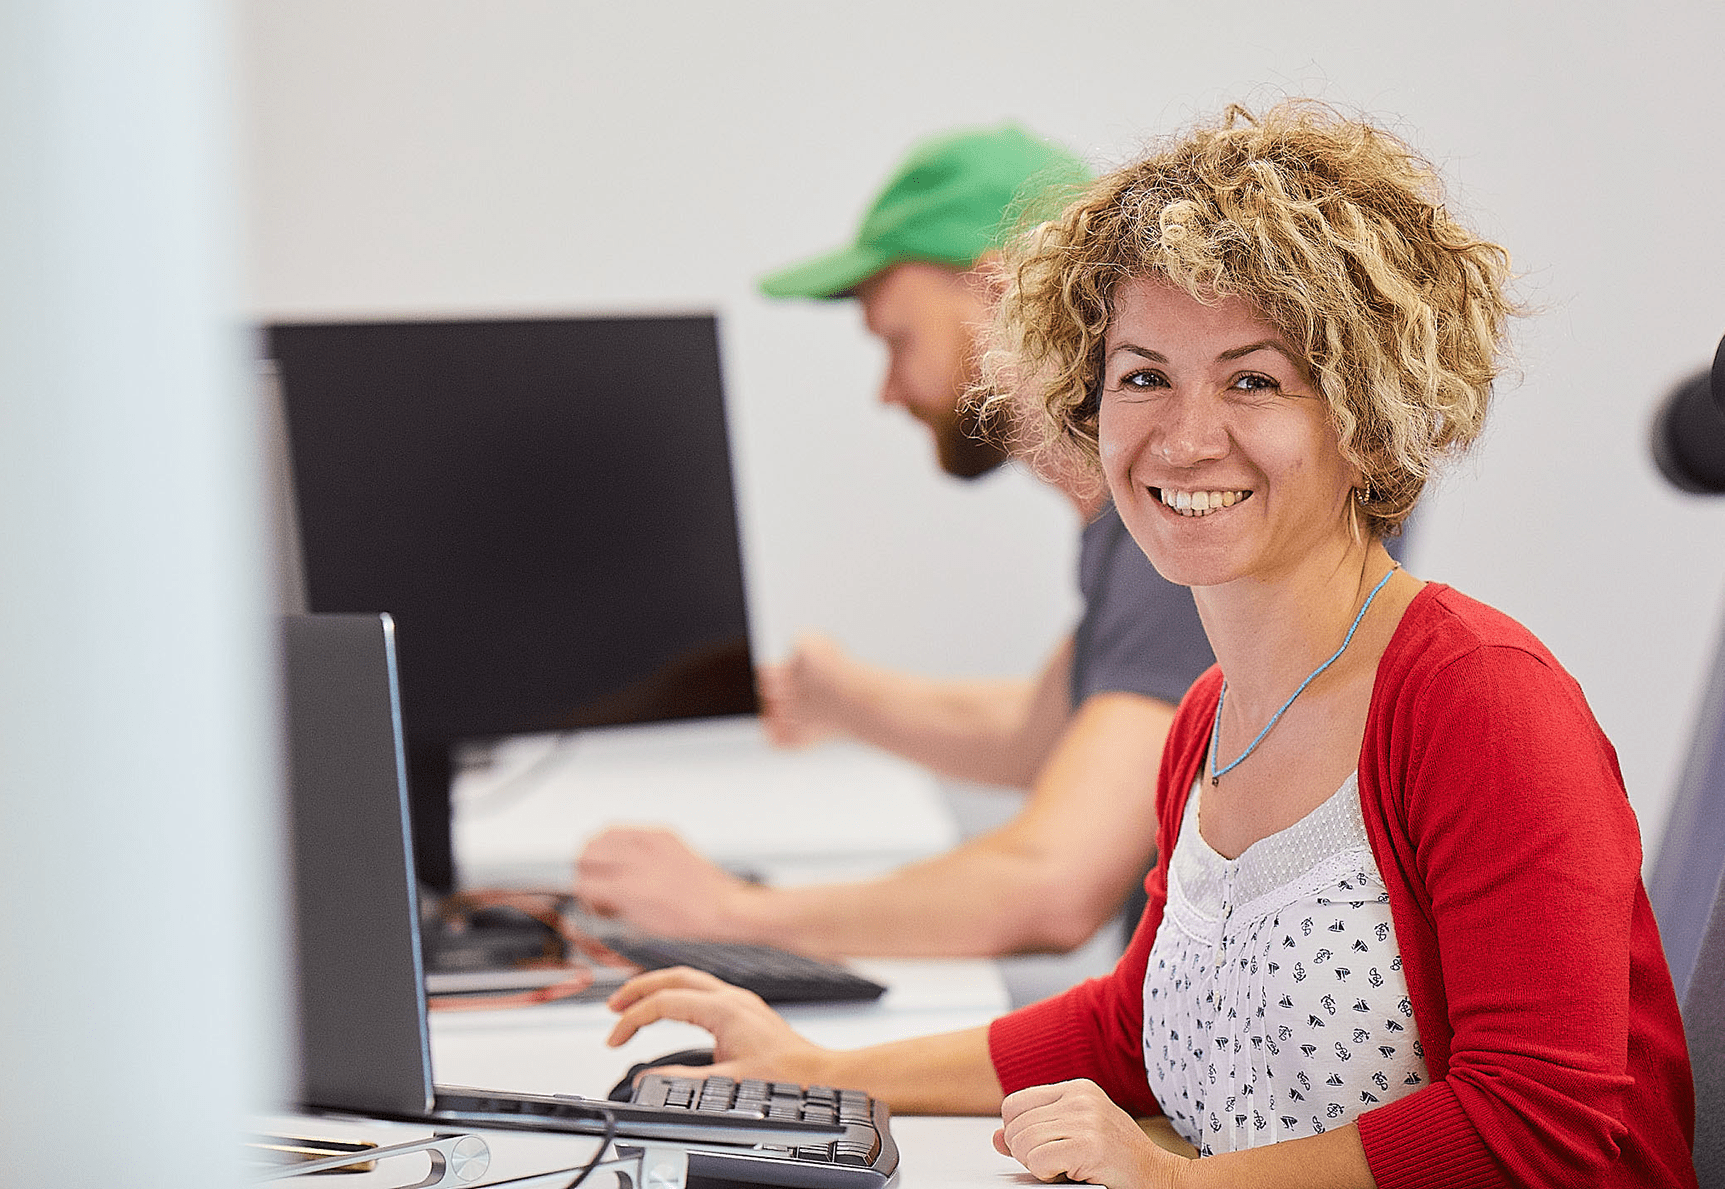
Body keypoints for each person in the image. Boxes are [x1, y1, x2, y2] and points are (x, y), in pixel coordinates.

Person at [600, 102, 1699, 1187]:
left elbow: (1542, 1124)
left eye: (1253, 380)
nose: (1183, 435)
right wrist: (825, 1069)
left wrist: (1175, 1181)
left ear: (1368, 416)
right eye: (1143, 376)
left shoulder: (1477, 701)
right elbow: (1133, 1029)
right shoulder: (1208, 724)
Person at [575, 126, 1215, 961]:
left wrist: (728, 910)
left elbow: (1052, 885)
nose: (886, 390)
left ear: (1001, 292)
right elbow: (1048, 733)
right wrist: (837, 697)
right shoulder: (1124, 530)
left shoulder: (1183, 522)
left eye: (897, 338)